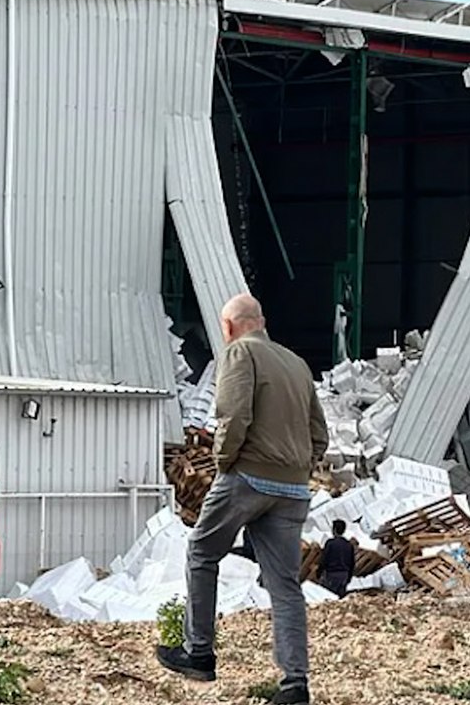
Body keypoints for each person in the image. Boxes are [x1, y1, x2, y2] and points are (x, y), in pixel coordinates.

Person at [156, 294, 328, 705]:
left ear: (229, 327)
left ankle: (199, 652)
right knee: (285, 585)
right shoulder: (297, 365)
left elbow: (233, 417)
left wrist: (224, 462)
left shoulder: (239, 354)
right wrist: (299, 468)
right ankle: (295, 684)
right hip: (293, 489)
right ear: (262, 322)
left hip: (248, 477)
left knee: (202, 552)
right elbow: (319, 434)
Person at [318, 520, 356, 597]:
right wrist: (349, 576)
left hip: (332, 574)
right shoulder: (349, 545)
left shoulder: (330, 543)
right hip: (344, 574)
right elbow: (352, 562)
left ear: (334, 530)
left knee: (329, 596)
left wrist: (319, 572)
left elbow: (324, 559)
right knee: (340, 597)